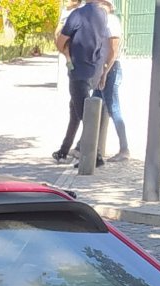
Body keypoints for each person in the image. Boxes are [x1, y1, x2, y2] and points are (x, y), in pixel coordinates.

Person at [52, 0, 111, 164]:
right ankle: (64, 150)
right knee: (75, 112)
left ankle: (95, 156)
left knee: (85, 116)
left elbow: (60, 41)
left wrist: (66, 52)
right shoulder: (102, 15)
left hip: (78, 71)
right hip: (93, 70)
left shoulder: (77, 15)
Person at [98, 0, 130, 161]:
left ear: (109, 6)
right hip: (102, 70)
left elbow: (114, 50)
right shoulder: (102, 21)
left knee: (114, 109)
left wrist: (104, 72)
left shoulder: (112, 21)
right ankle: (84, 147)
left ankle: (124, 149)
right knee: (93, 106)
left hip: (110, 69)